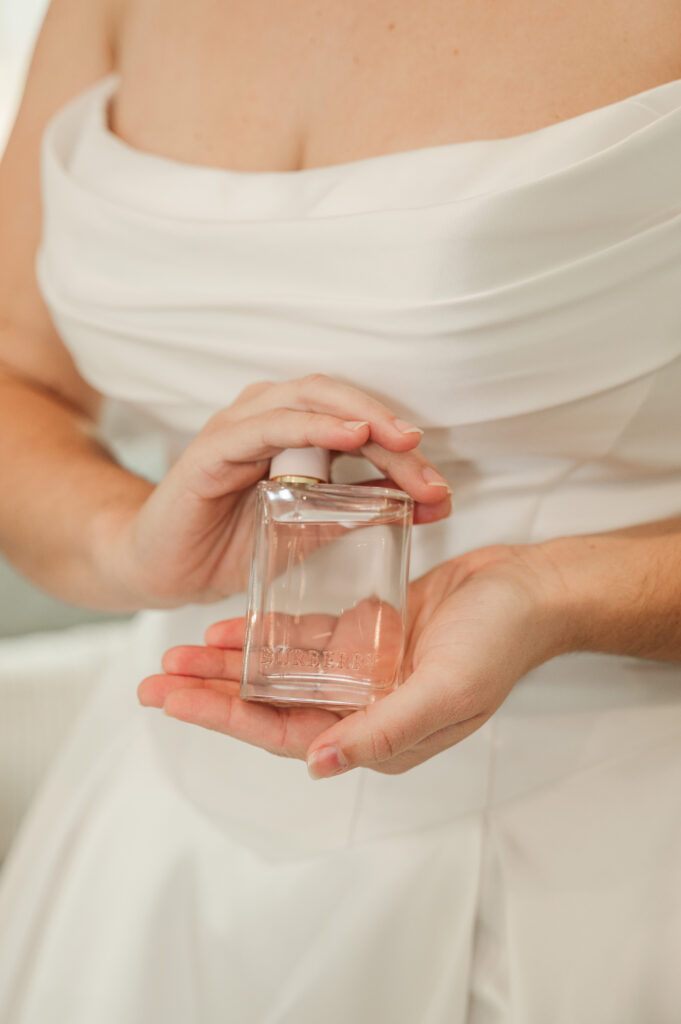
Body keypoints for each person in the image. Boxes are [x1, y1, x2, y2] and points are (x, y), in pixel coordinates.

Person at [0, 0, 680, 1020]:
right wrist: (129, 539)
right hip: (163, 832)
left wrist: (556, 592)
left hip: (600, 862)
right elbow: (18, 376)